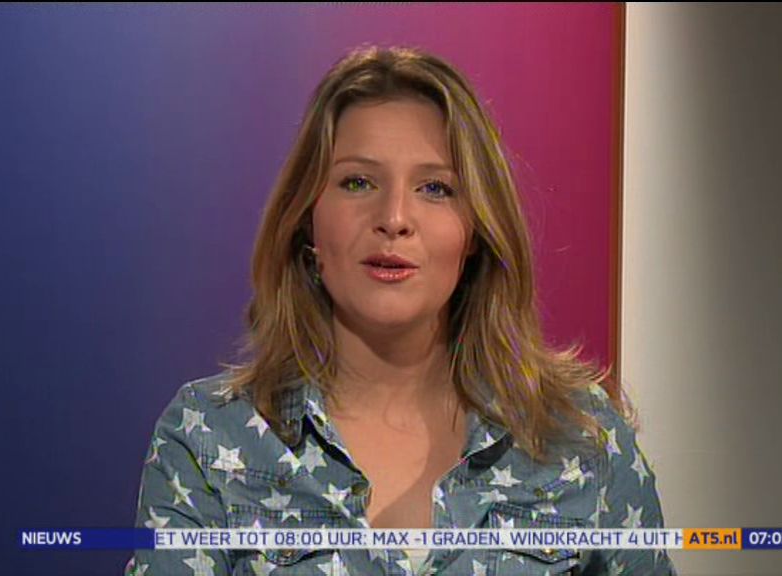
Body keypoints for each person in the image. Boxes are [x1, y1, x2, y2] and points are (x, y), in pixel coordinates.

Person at [125, 44, 675, 575]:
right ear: (307, 220)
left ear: (476, 231)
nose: (393, 218)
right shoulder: (210, 437)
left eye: (435, 188)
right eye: (358, 182)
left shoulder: (580, 437)